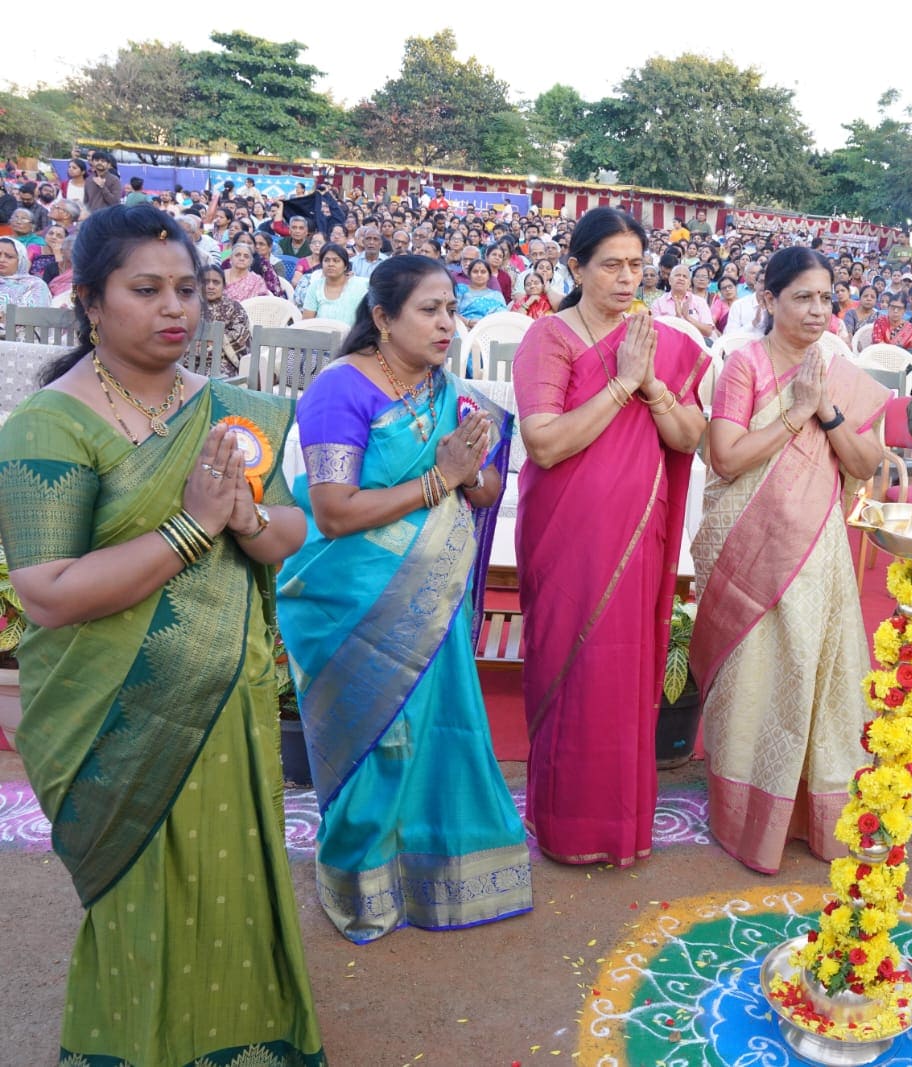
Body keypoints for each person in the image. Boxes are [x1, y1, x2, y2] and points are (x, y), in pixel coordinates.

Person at [0, 204, 323, 1064]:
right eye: (146, 289)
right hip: (114, 715)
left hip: (224, 698)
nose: (175, 307)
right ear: (90, 301)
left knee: (231, 872)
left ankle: (240, 1041)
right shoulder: (49, 425)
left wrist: (245, 518)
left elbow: (290, 531)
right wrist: (190, 529)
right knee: (140, 889)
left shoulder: (230, 412)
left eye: (187, 288)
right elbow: (47, 592)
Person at [277, 255, 532, 942]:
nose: (447, 323)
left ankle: (436, 878)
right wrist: (439, 480)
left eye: (451, 309)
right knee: (378, 744)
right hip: (349, 602)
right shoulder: (340, 390)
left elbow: (484, 490)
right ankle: (363, 889)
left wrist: (469, 471)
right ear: (383, 317)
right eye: (429, 309)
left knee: (435, 736)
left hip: (431, 600)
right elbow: (333, 511)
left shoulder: (453, 393)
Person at [513, 208, 709, 867]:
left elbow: (689, 437)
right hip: (566, 537)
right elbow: (544, 443)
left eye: (637, 265)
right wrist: (622, 382)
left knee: (621, 674)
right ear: (576, 268)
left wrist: (648, 382)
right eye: (611, 265)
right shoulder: (549, 337)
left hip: (635, 535)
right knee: (571, 670)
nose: (628, 279)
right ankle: (566, 826)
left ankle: (618, 824)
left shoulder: (659, 342)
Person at [689, 248, 888, 873]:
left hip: (816, 549)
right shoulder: (744, 365)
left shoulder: (840, 372)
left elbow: (864, 465)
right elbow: (726, 457)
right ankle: (747, 813)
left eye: (826, 298)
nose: (817, 310)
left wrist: (826, 411)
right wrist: (797, 412)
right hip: (750, 547)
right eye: (802, 297)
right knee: (756, 674)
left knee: (812, 669)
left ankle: (813, 812)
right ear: (768, 300)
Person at [202, 263, 254, 376]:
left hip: (222, 361)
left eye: (216, 282)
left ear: (224, 286)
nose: (210, 286)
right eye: (205, 282)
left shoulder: (234, 307)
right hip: (188, 359)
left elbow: (241, 336)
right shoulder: (190, 306)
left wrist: (213, 341)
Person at [300, 244, 369, 326]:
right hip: (321, 333)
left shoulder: (361, 285)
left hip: (355, 333)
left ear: (345, 266)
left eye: (336, 261)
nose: (331, 264)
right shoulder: (315, 287)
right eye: (326, 260)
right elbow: (306, 323)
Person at [651, 263, 716, 340]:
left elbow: (708, 331)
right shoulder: (658, 303)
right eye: (677, 275)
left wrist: (687, 317)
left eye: (685, 276)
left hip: (695, 343)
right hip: (669, 342)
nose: (681, 278)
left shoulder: (699, 302)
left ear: (689, 283)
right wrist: (677, 317)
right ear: (670, 280)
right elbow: (656, 330)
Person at [0, 235, 51, 312]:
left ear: (21, 260)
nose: (2, 260)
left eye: (9, 257)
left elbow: (35, 315)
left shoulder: (34, 285)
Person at [455, 258, 509, 327]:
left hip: (489, 329)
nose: (479, 275)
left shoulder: (496, 295)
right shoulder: (460, 289)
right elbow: (451, 312)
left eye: (483, 272)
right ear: (469, 274)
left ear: (489, 276)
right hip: (462, 327)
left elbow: (503, 317)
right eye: (475, 271)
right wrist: (467, 322)